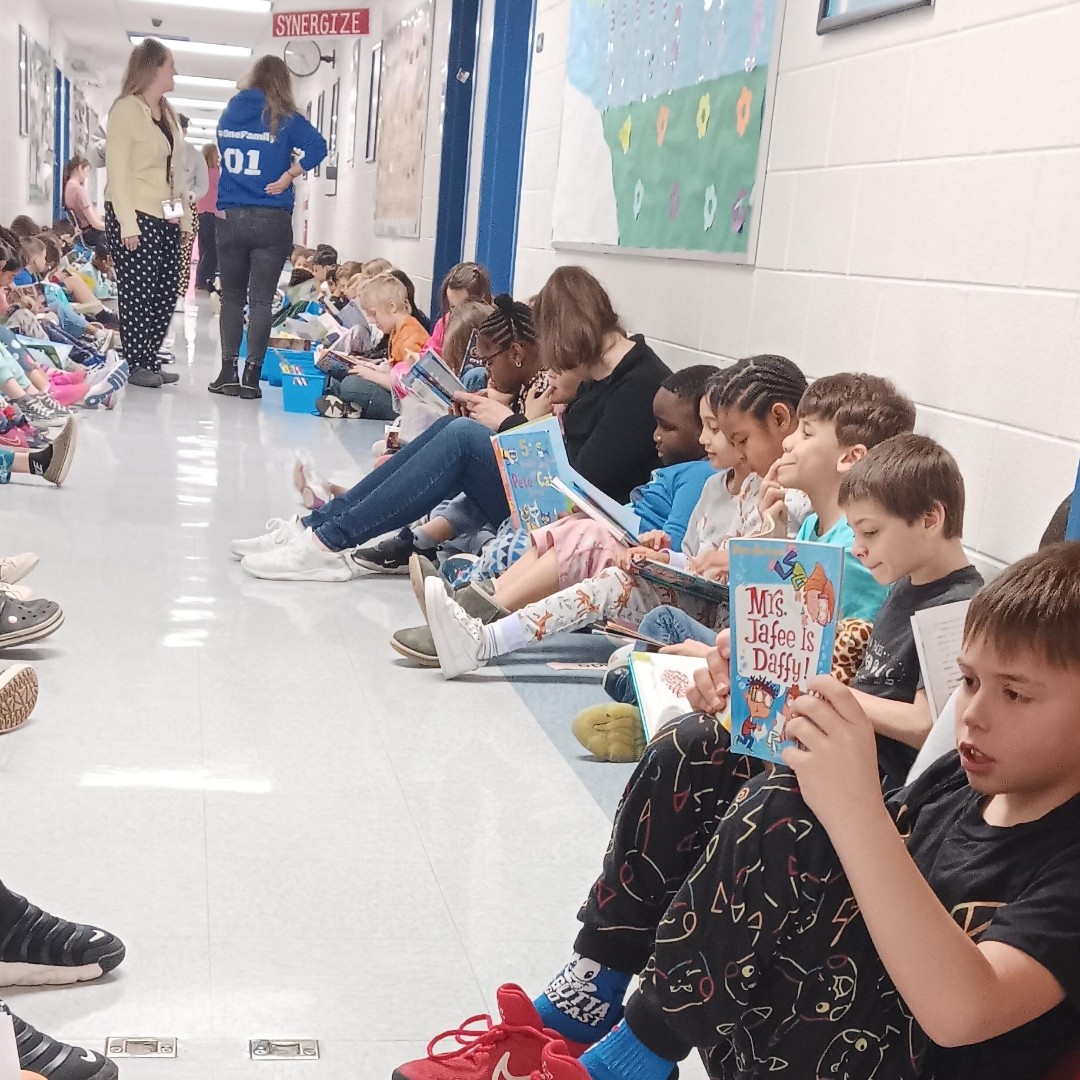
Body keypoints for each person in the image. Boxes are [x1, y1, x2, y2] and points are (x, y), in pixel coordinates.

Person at [395, 535, 1080, 1080]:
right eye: (967, 683)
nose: (973, 715)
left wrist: (850, 807)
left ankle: (627, 1060)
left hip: (905, 1056)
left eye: (1015, 694)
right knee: (703, 748)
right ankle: (586, 1002)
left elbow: (964, 1012)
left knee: (786, 809)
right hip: (829, 1021)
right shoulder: (961, 785)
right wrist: (761, 701)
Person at [235, 269, 672, 583]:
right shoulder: (601, 375)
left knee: (463, 438)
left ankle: (327, 543)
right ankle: (319, 529)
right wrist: (506, 420)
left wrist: (510, 424)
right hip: (549, 503)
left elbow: (580, 483)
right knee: (455, 431)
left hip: (579, 522)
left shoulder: (638, 385)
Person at [420, 366, 722, 678]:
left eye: (669, 428)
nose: (656, 435)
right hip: (630, 550)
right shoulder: (699, 477)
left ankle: (481, 613)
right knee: (571, 528)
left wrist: (619, 528)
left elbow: (670, 541)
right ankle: (477, 598)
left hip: (638, 561)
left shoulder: (699, 475)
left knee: (586, 534)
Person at [208, 54, 327, 399]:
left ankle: (226, 372)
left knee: (231, 297)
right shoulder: (286, 119)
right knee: (260, 301)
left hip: (231, 216)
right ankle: (251, 378)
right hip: (272, 218)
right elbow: (319, 147)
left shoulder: (231, 111)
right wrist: (289, 173)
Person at [103, 38, 188, 389]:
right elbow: (117, 171)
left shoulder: (166, 113)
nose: (175, 72)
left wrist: (183, 217)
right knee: (138, 291)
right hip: (132, 212)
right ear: (153, 68)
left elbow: (177, 172)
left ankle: (149, 356)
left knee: (166, 290)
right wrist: (127, 223)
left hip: (164, 214)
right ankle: (137, 362)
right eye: (170, 65)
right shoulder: (125, 110)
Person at [315, 272, 428, 420]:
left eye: (374, 314)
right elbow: (394, 368)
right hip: (396, 395)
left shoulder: (411, 337)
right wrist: (369, 367)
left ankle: (352, 405)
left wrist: (369, 374)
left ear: (392, 306)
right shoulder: (397, 331)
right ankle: (350, 405)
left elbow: (407, 386)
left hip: (407, 407)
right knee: (341, 378)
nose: (372, 321)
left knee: (352, 385)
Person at [174, 115, 210, 310]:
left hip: (185, 208)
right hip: (157, 207)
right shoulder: (156, 149)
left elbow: (202, 185)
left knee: (183, 254)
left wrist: (190, 196)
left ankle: (179, 295)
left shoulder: (194, 155)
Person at [428, 262, 492, 359]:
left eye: (462, 307)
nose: (456, 314)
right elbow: (430, 352)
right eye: (452, 307)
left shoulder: (495, 329)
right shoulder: (444, 324)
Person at [61, 156, 106, 247]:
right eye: (87, 171)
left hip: (85, 233)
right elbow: (95, 223)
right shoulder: (79, 190)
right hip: (91, 234)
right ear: (79, 168)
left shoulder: (68, 187)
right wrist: (113, 228)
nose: (87, 175)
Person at [195, 143, 222, 294]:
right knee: (212, 250)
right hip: (212, 214)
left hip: (202, 214)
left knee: (204, 249)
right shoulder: (214, 173)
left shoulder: (201, 173)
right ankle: (206, 279)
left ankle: (202, 279)